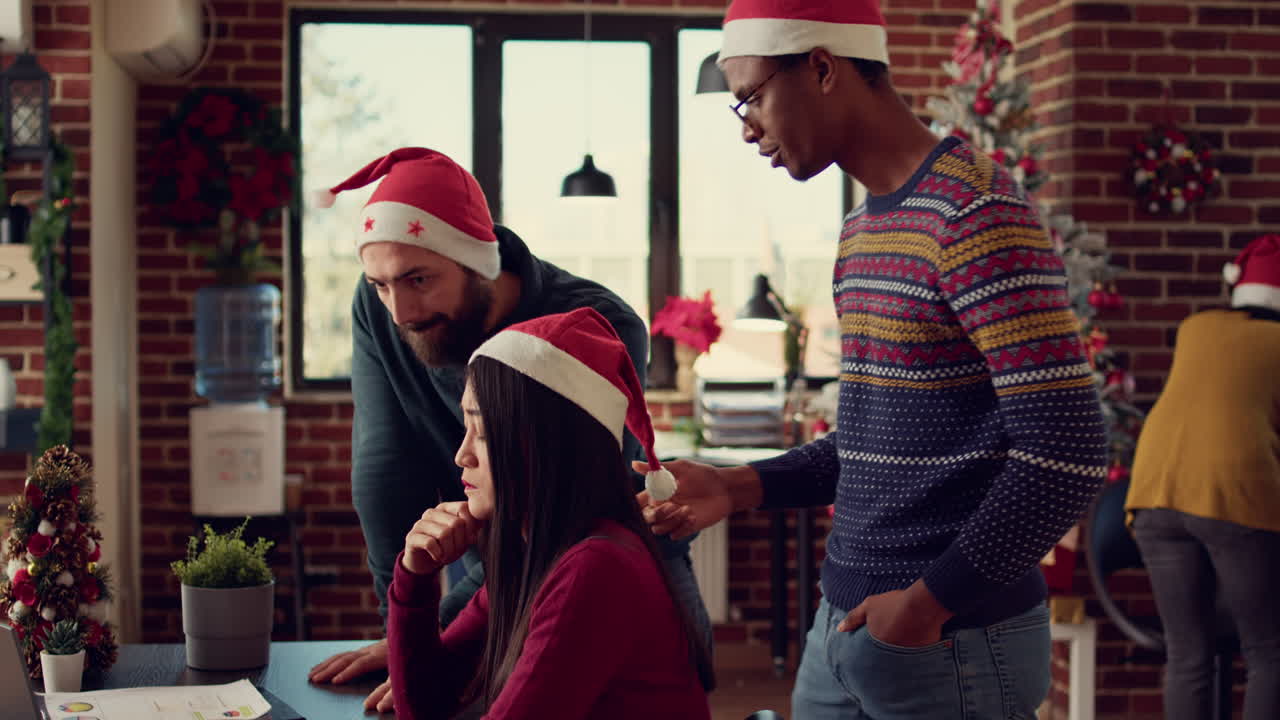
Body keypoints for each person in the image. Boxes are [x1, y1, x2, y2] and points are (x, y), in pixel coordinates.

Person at [639, 1, 1109, 717]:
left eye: (751, 96)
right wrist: (737, 487)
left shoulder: (976, 214)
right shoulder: (863, 228)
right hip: (845, 631)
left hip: (950, 640)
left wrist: (926, 604)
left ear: (822, 68)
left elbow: (1068, 450)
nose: (746, 127)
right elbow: (876, 441)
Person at [304, 148, 710, 713]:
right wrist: (409, 601)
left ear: (479, 265)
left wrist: (438, 629)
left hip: (588, 553)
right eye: (380, 286)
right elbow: (385, 465)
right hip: (522, 546)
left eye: (419, 279)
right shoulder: (522, 565)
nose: (399, 313)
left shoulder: (598, 323)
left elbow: (584, 491)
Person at [386, 307, 714, 719]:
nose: (462, 455)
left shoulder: (597, 567)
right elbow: (426, 706)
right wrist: (415, 577)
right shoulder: (535, 554)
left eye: (482, 431)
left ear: (550, 445)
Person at [1125, 234, 1280, 720]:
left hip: (1153, 491)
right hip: (1230, 493)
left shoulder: (1196, 327)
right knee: (1269, 652)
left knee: (1187, 653)